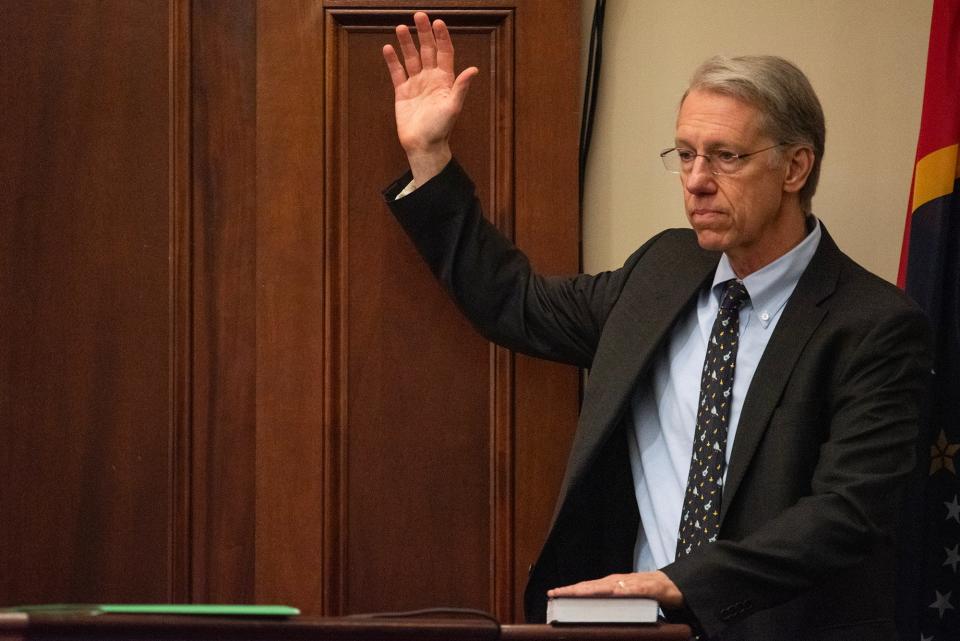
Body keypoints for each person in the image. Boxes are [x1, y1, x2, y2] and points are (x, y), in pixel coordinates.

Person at [381, 12, 931, 641]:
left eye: (726, 157)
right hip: (637, 631)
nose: (697, 181)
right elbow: (515, 303)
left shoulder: (874, 324)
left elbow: (848, 512)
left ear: (795, 168)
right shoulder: (663, 270)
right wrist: (430, 155)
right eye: (687, 155)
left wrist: (684, 581)